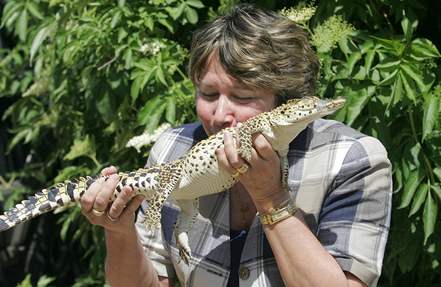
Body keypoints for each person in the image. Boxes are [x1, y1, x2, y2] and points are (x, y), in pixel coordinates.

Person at [80, 4, 392, 287]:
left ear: (286, 100)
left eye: (243, 97)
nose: (219, 115)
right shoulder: (173, 149)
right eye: (209, 94)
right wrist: (119, 230)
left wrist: (270, 198)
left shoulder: (354, 159)